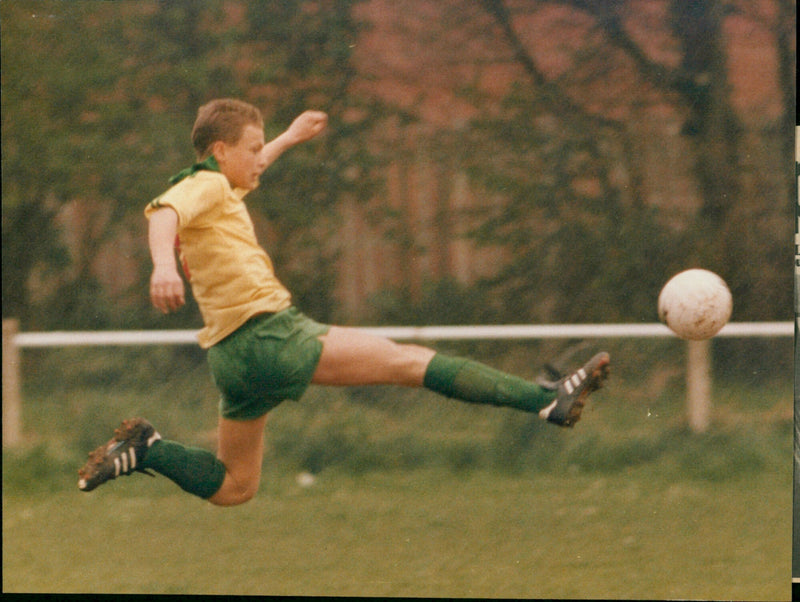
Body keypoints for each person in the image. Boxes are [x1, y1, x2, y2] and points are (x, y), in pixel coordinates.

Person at [78, 98, 610, 506]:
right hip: (270, 336)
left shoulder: (220, 190)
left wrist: (287, 137)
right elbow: (164, 211)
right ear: (221, 152)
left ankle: (149, 448)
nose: (259, 158)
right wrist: (163, 266)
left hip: (231, 358)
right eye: (252, 148)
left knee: (236, 486)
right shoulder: (205, 187)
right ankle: (545, 400)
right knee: (409, 361)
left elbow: (220, 184)